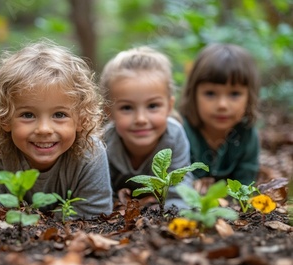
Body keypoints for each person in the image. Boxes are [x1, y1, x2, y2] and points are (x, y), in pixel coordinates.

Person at [0, 40, 113, 218]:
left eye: (59, 115)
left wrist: (39, 223)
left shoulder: (91, 153)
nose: (44, 129)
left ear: (81, 119)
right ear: (5, 118)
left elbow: (95, 211)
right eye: (28, 115)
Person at [100, 46, 192, 208]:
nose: (141, 119)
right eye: (127, 108)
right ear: (109, 112)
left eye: (152, 106)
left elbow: (180, 190)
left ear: (169, 107)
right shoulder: (104, 143)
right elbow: (100, 195)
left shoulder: (174, 136)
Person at [178, 43, 260, 185]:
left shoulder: (247, 134)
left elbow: (245, 184)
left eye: (234, 94)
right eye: (210, 93)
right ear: (193, 94)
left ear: (249, 97)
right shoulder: (181, 131)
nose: (222, 105)